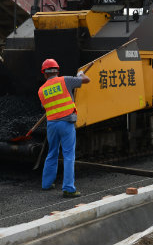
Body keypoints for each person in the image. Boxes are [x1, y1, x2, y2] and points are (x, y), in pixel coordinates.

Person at [38, 58, 90, 198]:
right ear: (57, 71)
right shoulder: (65, 80)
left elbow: (45, 107)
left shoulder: (41, 90)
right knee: (68, 155)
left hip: (52, 125)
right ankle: (68, 188)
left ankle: (46, 184)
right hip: (66, 123)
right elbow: (87, 80)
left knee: (52, 153)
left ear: (44, 73)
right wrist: (80, 74)